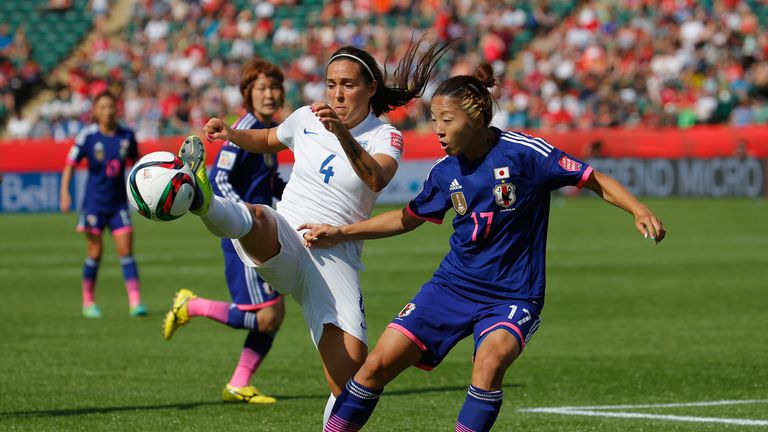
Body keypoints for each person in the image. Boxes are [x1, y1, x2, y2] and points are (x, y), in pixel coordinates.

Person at [299, 64, 667, 432]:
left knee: (489, 365)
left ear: (475, 119)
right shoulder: (444, 171)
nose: (438, 129)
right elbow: (405, 218)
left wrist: (639, 209)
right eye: (433, 119)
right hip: (452, 287)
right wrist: (341, 232)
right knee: (376, 366)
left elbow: (590, 177)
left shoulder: (524, 153)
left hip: (514, 295)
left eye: (446, 119)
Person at [164, 38, 454, 423]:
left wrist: (342, 135)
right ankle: (204, 202)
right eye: (331, 83)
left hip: (335, 254)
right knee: (260, 217)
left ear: (370, 88)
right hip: (286, 233)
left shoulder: (386, 136)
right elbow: (269, 138)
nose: (337, 93)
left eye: (348, 84)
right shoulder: (305, 117)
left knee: (353, 384)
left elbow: (376, 179)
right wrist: (231, 133)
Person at [162, 58, 287, 405]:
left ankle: (238, 384)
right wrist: (241, 216)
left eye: (275, 87)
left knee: (273, 314)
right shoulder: (244, 129)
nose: (270, 94)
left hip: (265, 230)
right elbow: (218, 178)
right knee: (266, 316)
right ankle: (192, 305)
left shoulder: (269, 130)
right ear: (248, 93)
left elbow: (270, 182)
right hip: (245, 234)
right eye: (262, 88)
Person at [60, 91, 146, 319]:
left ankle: (135, 302)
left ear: (116, 109)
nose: (108, 110)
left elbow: (138, 164)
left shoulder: (127, 135)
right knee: (95, 253)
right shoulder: (87, 136)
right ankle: (88, 302)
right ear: (96, 111)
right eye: (103, 107)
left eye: (111, 106)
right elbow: (70, 163)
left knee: (126, 251)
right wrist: (64, 193)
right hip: (94, 205)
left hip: (118, 204)